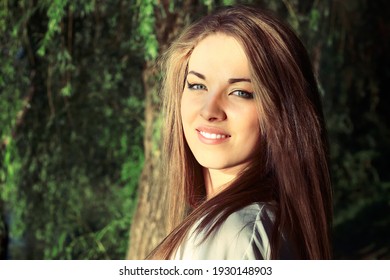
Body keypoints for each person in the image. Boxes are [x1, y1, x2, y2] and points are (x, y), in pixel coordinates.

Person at [148, 5, 332, 260]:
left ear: (281, 112)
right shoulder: (270, 223)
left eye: (241, 92)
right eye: (197, 85)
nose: (209, 110)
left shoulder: (232, 234)